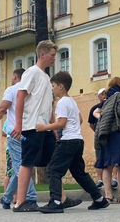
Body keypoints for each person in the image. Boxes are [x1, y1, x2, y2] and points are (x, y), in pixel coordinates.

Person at [35, 71, 110, 213]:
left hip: (68, 141)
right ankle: (99, 199)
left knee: (53, 170)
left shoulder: (62, 102)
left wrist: (45, 127)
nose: (52, 88)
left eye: (54, 86)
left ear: (61, 87)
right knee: (79, 172)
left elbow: (62, 123)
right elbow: (80, 119)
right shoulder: (72, 101)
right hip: (77, 140)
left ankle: (56, 202)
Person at [11, 41, 58, 212]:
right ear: (43, 54)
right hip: (32, 126)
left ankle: (60, 197)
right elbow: (21, 97)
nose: (54, 58)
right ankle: (20, 202)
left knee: (55, 161)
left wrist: (53, 128)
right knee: (27, 162)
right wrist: (19, 124)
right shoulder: (32, 73)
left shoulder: (46, 77)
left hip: (44, 127)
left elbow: (48, 105)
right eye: (52, 55)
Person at [0, 68, 38, 210]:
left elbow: (2, 109)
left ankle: (31, 197)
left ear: (16, 77)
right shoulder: (32, 90)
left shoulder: (12, 90)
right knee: (22, 166)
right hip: (31, 132)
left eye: (12, 77)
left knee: (21, 167)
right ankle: (7, 198)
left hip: (16, 133)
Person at [88, 88, 107, 188]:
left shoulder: (109, 106)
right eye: (102, 94)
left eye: (105, 94)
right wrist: (98, 132)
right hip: (99, 137)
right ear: (99, 96)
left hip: (109, 136)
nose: (104, 96)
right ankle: (100, 180)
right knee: (99, 158)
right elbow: (91, 124)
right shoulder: (94, 109)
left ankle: (113, 179)